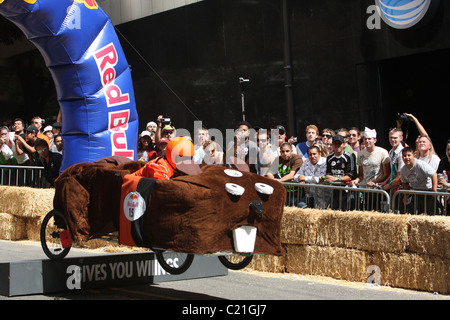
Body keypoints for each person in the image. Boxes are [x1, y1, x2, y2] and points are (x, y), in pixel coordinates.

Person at [400, 147, 438, 214]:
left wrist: (434, 191)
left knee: (430, 214)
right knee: (414, 214)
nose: (407, 158)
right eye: (404, 156)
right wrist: (406, 195)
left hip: (427, 192)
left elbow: (434, 174)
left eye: (409, 155)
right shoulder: (403, 170)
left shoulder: (420, 164)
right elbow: (405, 182)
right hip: (416, 193)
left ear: (413, 156)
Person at [325, 135, 356, 210]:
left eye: (339, 144)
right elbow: (328, 174)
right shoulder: (329, 158)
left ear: (344, 144)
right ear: (332, 145)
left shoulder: (349, 157)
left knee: (345, 211)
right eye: (335, 144)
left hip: (346, 190)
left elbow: (349, 176)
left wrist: (337, 179)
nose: (337, 146)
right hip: (333, 190)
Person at [381, 128, 404, 192]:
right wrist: (385, 182)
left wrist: (388, 186)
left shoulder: (402, 153)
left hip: (400, 187)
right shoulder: (391, 152)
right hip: (392, 186)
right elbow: (393, 171)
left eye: (395, 138)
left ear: (401, 138)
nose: (392, 140)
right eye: (391, 138)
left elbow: (400, 176)